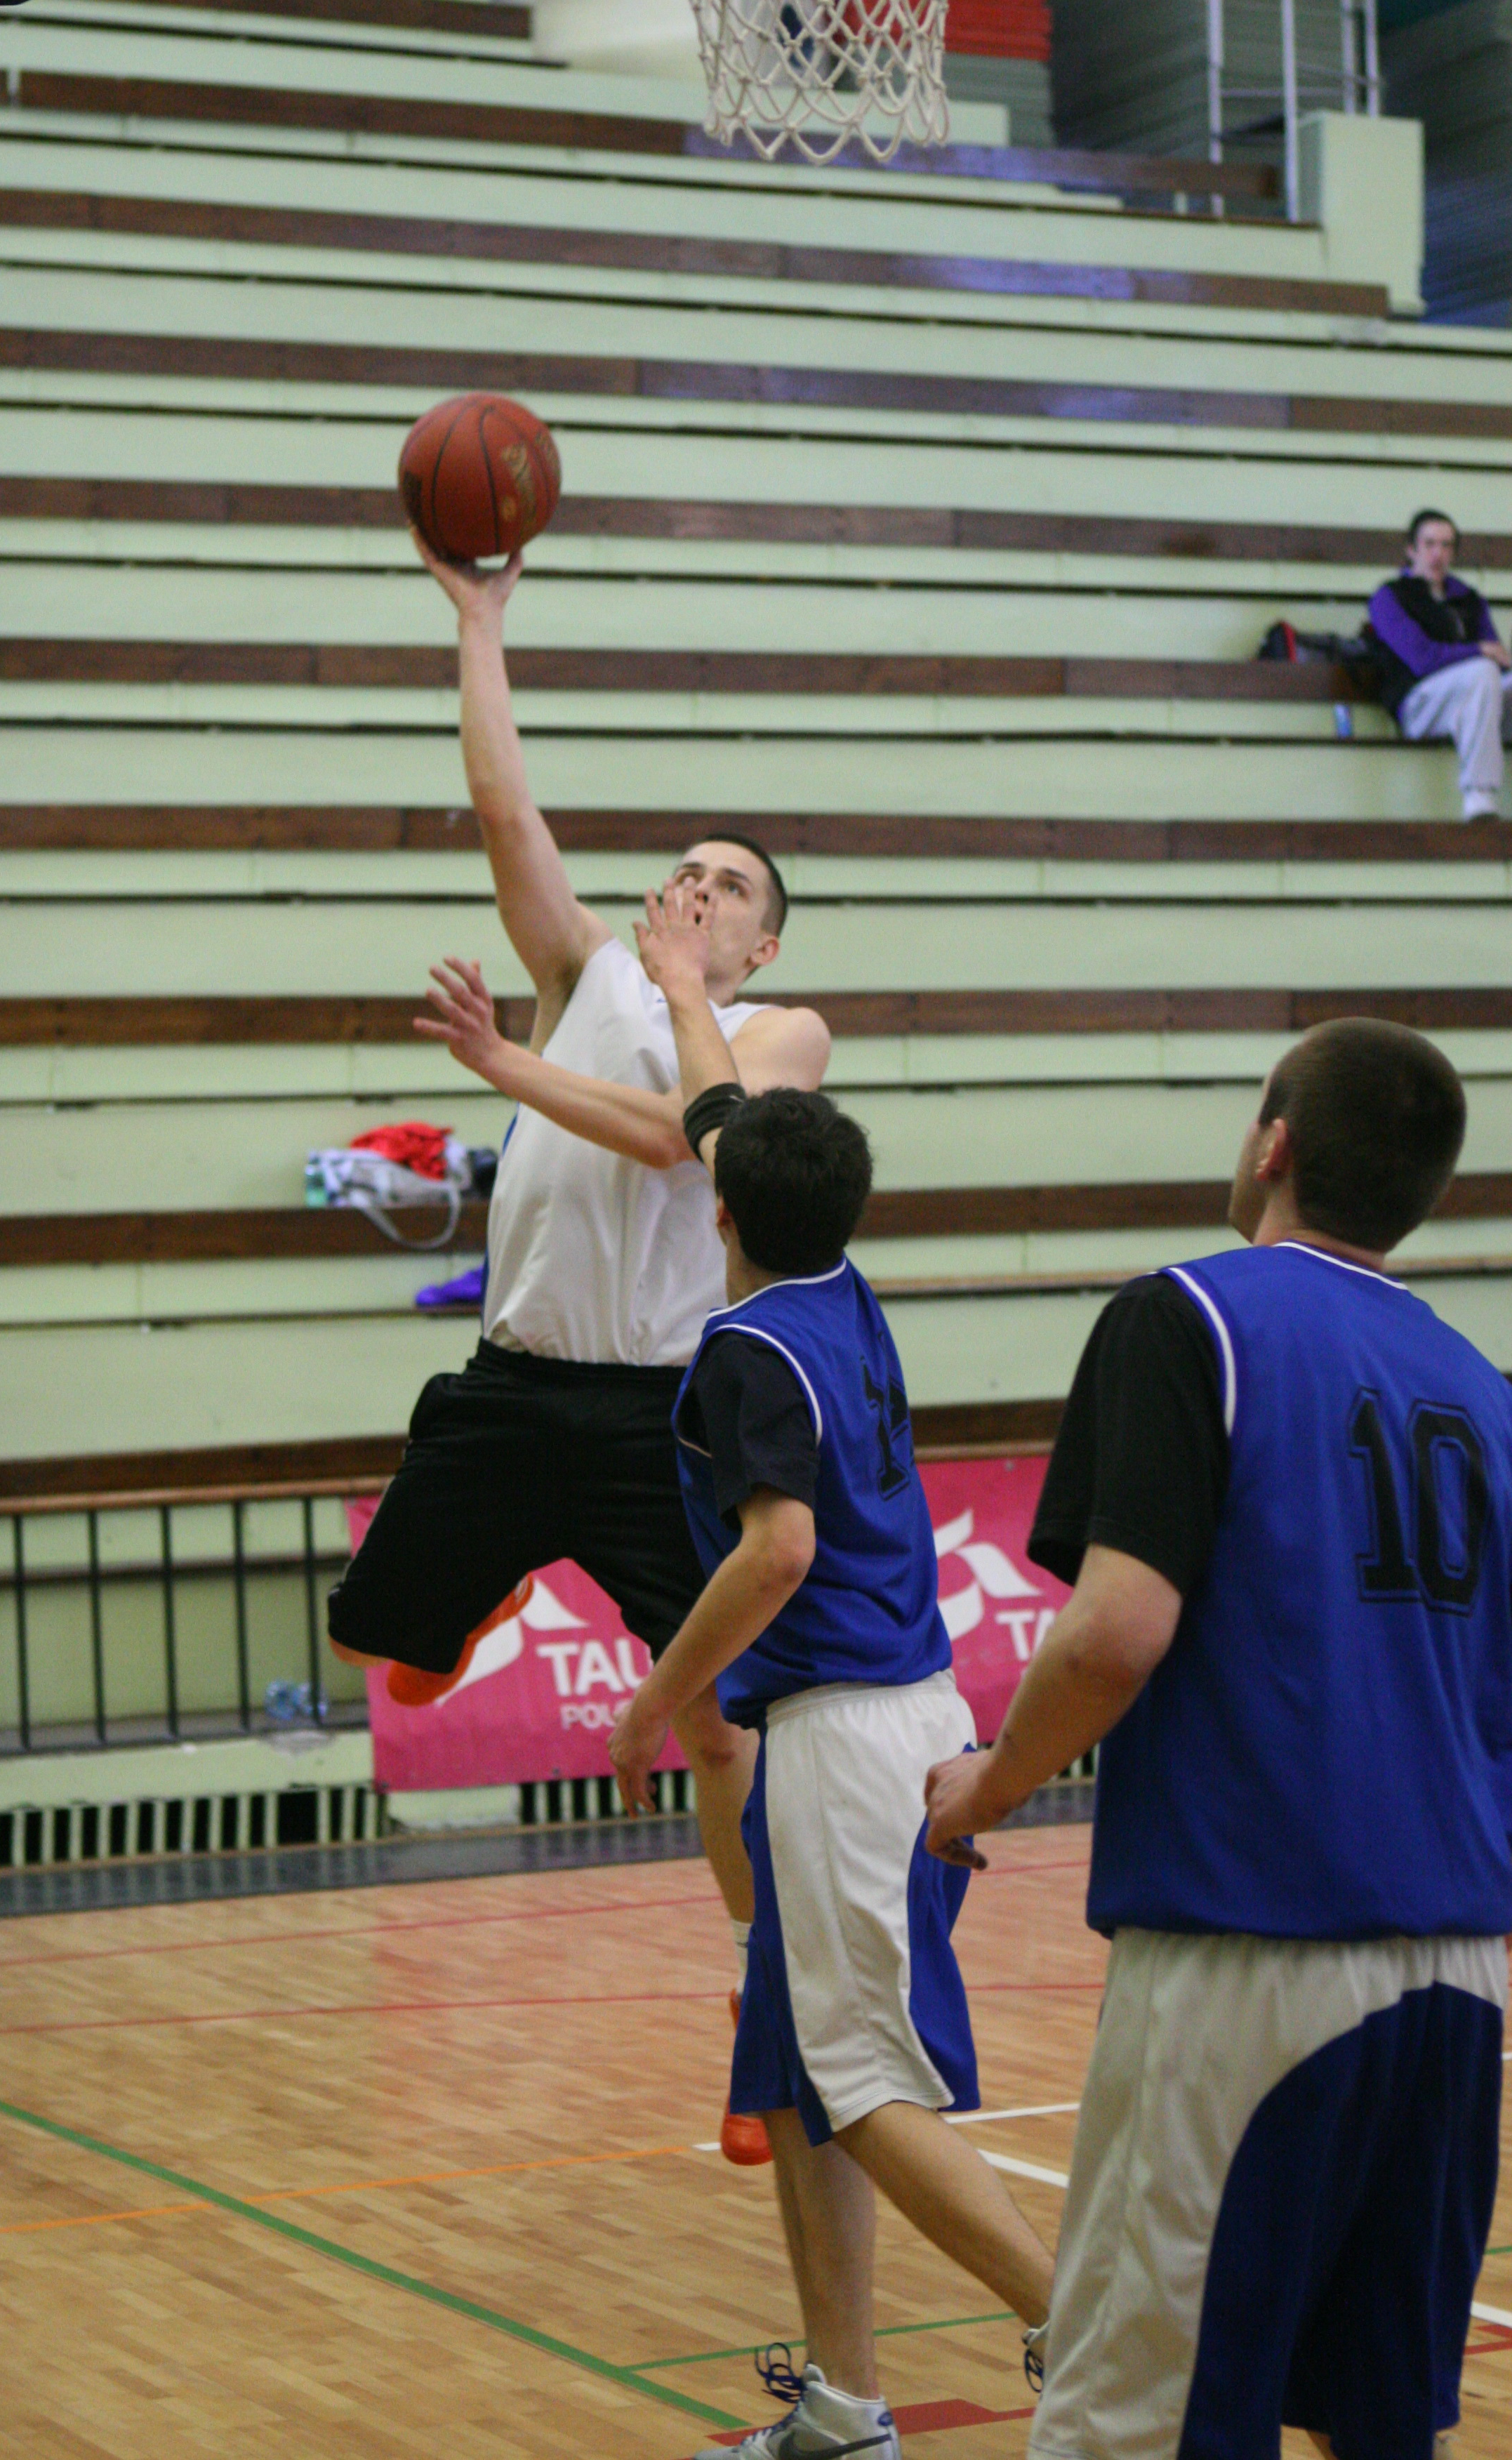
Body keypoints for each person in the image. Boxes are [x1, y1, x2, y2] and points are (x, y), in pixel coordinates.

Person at [926, 1017, 1512, 2460]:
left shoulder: (1186, 1314)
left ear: (1272, 1143)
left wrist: (986, 1786)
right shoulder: (1484, 1389)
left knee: (1137, 2425)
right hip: (1458, 1976)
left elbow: (1114, 1632)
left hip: (1251, 1951)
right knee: (1383, 2423)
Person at [326, 535, 830, 2156]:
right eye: (685, 870)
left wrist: (514, 1064)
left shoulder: (774, 1031)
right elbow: (506, 812)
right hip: (512, 1385)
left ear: (762, 944)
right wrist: (479, 622)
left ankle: (764, 2007)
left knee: (716, 1721)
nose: (698, 887)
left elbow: (685, 1136)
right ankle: (471, 1591)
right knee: (376, 1638)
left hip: (654, 1414)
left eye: (730, 886)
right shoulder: (582, 971)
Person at [609, 886, 1055, 2459]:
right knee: (801, 2079)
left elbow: (776, 1550)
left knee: (860, 2083)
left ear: (717, 1210)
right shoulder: (840, 1285)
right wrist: (685, 991)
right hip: (901, 1712)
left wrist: (653, 1700)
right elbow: (722, 1115)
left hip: (848, 1736)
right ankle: (847, 2411)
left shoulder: (746, 1350)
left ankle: (1083, 2325)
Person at [1367, 508, 1512, 819]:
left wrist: (1491, 656)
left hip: (1474, 695)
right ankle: (1480, 797)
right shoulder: (1389, 597)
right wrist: (1478, 650)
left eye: (1446, 546)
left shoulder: (1469, 599)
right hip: (1418, 704)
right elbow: (1422, 659)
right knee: (1482, 672)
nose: (1438, 554)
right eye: (1430, 544)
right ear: (1411, 549)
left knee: (1490, 676)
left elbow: (1498, 657)